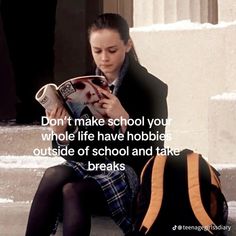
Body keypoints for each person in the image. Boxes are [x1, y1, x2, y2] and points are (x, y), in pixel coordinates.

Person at [25, 13, 168, 236]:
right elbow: (80, 151)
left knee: (73, 191)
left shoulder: (152, 88)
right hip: (92, 164)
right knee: (54, 174)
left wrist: (125, 119)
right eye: (97, 51)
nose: (104, 59)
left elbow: (152, 150)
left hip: (127, 169)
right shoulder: (83, 85)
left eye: (112, 50)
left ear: (128, 45)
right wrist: (62, 133)